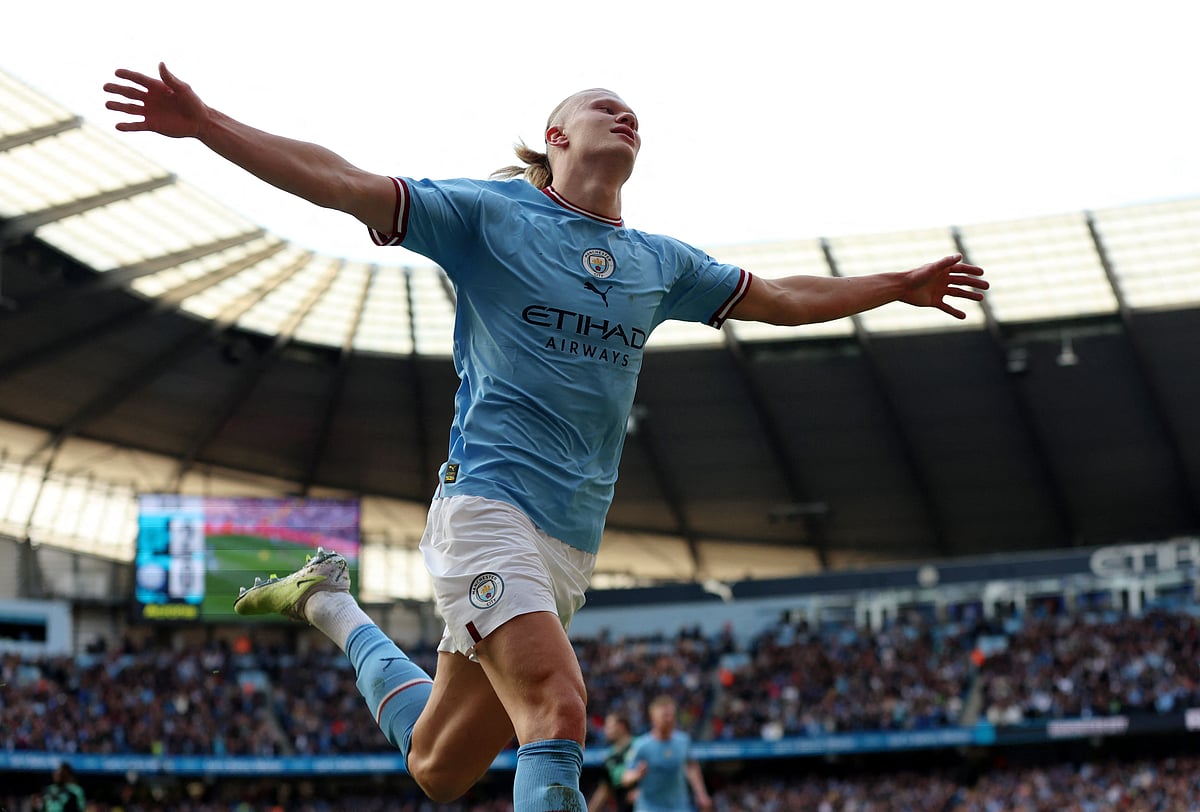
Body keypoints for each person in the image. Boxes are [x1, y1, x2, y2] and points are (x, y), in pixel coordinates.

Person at [104, 63, 988, 812]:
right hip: (486, 506)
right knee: (560, 711)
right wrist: (206, 122)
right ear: (554, 138)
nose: (622, 110)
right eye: (597, 104)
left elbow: (785, 300)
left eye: (629, 109)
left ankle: (328, 602)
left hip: (568, 543)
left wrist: (896, 284)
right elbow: (339, 181)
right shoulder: (491, 215)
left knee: (438, 765)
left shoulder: (660, 262)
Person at [622, 696, 710, 812]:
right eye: (664, 716)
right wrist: (637, 774)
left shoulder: (683, 741)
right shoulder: (641, 745)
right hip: (649, 807)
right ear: (653, 718)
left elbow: (691, 766)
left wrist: (701, 793)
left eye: (672, 715)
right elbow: (625, 777)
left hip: (679, 807)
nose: (669, 719)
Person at [588, 712, 637, 812]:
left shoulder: (639, 746)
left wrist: (644, 792)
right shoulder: (609, 757)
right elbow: (605, 788)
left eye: (609, 726)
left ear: (621, 726)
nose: (605, 729)